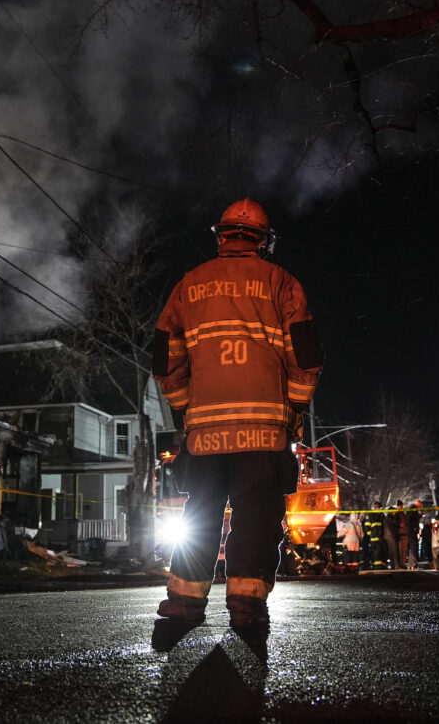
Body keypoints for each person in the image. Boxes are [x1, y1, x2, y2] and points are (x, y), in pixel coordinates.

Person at [151, 198, 323, 629]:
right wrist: (295, 408)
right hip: (264, 433)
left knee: (202, 512)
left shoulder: (189, 285)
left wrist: (183, 409)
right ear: (263, 241)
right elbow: (306, 357)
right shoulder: (282, 283)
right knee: (256, 514)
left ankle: (184, 603)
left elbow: (164, 358)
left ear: (221, 235)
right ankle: (246, 605)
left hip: (204, 432)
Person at [363, 502, 387, 569]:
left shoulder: (381, 515)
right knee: (377, 552)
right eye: (378, 508)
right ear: (375, 508)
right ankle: (377, 566)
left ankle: (381, 565)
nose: (379, 509)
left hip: (381, 538)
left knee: (381, 551)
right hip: (374, 538)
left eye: (380, 508)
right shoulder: (371, 515)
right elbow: (367, 527)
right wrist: (372, 535)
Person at [404, 500, 423, 569]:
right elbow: (413, 519)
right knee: (414, 547)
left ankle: (411, 564)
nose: (421, 507)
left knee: (412, 548)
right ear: (418, 504)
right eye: (420, 506)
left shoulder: (411, 509)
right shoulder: (413, 509)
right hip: (412, 531)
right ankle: (414, 564)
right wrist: (415, 528)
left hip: (411, 531)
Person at [384, 500, 402, 569]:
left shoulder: (387, 518)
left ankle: (393, 565)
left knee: (391, 551)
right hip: (391, 536)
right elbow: (396, 523)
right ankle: (396, 565)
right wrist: (397, 518)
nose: (395, 513)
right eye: (394, 512)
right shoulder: (389, 518)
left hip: (389, 536)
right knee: (395, 551)